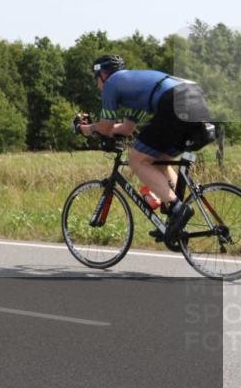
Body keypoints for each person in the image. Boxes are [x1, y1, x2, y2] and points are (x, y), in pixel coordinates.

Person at [77, 55, 212, 245]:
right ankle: (176, 221)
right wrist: (97, 128)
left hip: (174, 100)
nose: (96, 84)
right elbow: (126, 129)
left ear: (103, 74)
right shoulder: (134, 88)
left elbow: (106, 127)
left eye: (95, 78)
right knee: (159, 160)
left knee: (137, 160)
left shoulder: (111, 84)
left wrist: (85, 129)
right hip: (195, 96)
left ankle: (177, 208)